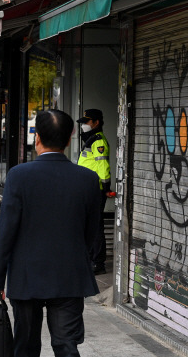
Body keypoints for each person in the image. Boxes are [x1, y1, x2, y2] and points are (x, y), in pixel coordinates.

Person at [0, 109, 100, 357]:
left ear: (37, 138)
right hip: (70, 276)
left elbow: (6, 231)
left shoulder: (19, 176)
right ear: (69, 139)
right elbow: (93, 233)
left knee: (26, 347)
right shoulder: (88, 179)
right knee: (66, 346)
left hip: (27, 277)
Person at [76, 108, 112, 275]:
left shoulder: (98, 141)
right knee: (90, 225)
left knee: (96, 227)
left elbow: (103, 167)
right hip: (87, 188)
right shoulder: (91, 139)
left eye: (87, 122)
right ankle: (91, 259)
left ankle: (98, 263)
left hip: (95, 190)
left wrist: (105, 188)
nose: (84, 125)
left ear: (96, 123)